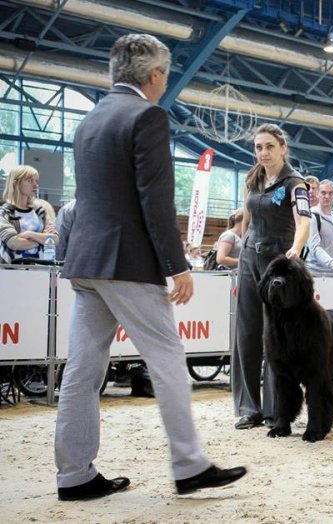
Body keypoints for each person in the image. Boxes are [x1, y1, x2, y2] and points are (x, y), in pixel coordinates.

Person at [54, 34, 245, 501]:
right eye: (167, 73)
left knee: (81, 371)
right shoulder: (147, 115)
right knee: (168, 360)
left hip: (85, 261)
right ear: (155, 75)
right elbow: (155, 201)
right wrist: (176, 265)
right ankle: (189, 464)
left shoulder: (91, 120)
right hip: (127, 260)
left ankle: (74, 474)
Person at [231, 122, 311, 431]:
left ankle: (276, 408)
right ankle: (248, 407)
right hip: (250, 257)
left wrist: (296, 249)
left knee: (277, 336)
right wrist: (242, 246)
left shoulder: (296, 183)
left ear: (283, 149)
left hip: (279, 260)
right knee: (247, 332)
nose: (263, 153)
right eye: (258, 147)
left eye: (269, 147)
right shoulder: (253, 179)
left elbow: (303, 221)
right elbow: (245, 220)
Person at [0, 165, 58, 263]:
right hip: (11, 272)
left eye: (36, 181)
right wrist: (43, 239)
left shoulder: (40, 211)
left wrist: (29, 234)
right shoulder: (4, 212)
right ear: (16, 183)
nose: (35, 185)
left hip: (40, 270)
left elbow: (55, 239)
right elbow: (14, 243)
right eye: (30, 181)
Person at [304, 179, 333, 276]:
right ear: (318, 194)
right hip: (315, 273)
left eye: (330, 193)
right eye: (323, 193)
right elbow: (314, 247)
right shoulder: (312, 216)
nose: (327, 196)